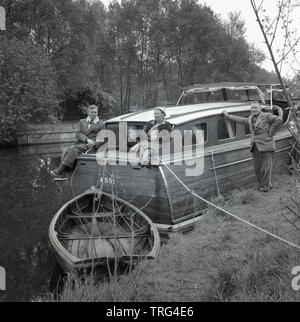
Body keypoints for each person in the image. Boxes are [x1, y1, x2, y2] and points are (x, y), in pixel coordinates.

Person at [223, 101, 283, 192]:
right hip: (255, 146)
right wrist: (228, 116)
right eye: (252, 108)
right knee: (257, 169)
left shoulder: (266, 116)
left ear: (260, 108)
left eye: (255, 107)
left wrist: (271, 133)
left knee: (265, 169)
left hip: (266, 145)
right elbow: (241, 120)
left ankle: (264, 188)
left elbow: (278, 120)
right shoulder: (250, 118)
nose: (253, 109)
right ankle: (265, 185)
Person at [50, 104, 105, 180]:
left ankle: (60, 170)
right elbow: (78, 133)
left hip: (91, 146)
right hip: (81, 143)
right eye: (92, 112)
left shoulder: (101, 124)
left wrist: (94, 143)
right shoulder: (82, 121)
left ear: (97, 112)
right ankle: (65, 174)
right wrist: (86, 139)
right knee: (66, 150)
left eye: (95, 112)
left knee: (73, 149)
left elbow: (102, 138)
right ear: (88, 112)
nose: (94, 114)